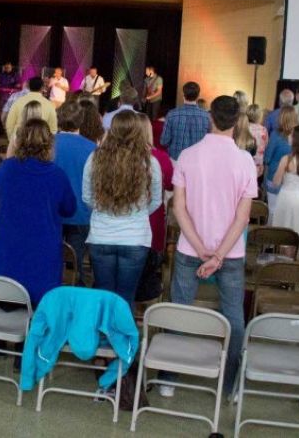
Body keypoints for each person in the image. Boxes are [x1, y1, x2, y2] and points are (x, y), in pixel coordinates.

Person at [164, 95, 257, 397]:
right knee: (233, 316)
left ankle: (168, 376)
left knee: (179, 309)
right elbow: (243, 218)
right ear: (237, 121)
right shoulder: (245, 161)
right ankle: (229, 384)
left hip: (191, 249)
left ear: (210, 118)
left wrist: (201, 247)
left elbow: (179, 209)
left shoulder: (189, 155)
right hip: (230, 252)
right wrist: (218, 254)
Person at [0, 119, 76, 305]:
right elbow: (70, 209)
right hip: (42, 274)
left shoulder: (6, 169)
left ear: (19, 141)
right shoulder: (57, 175)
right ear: (49, 144)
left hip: (3, 272)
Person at [83, 110, 161, 307]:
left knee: (103, 297)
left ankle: (102, 337)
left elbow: (87, 197)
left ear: (112, 131)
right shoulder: (150, 162)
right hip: (135, 238)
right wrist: (138, 212)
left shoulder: (95, 158)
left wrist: (104, 209)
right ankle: (123, 337)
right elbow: (156, 201)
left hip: (101, 235)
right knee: (126, 298)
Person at [53, 102, 97, 285]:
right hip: (81, 213)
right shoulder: (92, 148)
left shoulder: (47, 143)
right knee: (75, 264)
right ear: (81, 121)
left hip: (52, 212)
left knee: (50, 259)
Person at [137, 112, 173, 297]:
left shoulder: (120, 157)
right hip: (153, 223)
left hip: (131, 223)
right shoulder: (160, 157)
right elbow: (170, 184)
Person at [160, 81, 210, 161]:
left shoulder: (172, 114)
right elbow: (209, 142)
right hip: (197, 160)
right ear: (198, 96)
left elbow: (164, 141)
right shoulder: (207, 116)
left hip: (176, 159)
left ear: (183, 95)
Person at [264, 106, 298, 210]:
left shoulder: (275, 135)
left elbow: (267, 158)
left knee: (272, 211)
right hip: (292, 179)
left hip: (274, 177)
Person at [247, 104, 268, 177]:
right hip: (258, 159)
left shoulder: (245, 127)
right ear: (260, 116)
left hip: (247, 158)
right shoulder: (263, 129)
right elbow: (266, 144)